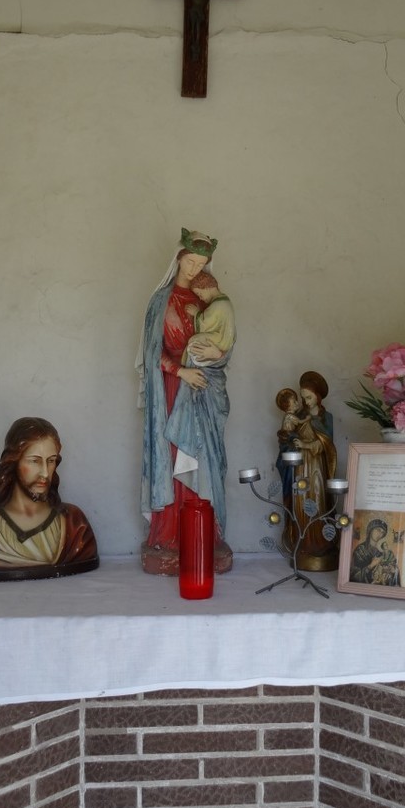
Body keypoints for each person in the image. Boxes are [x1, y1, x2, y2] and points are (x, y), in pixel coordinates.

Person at [136, 228, 233, 575]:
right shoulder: (160, 301)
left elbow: (223, 342)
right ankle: (170, 536)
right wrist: (181, 371)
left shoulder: (210, 300)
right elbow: (152, 354)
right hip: (173, 388)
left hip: (204, 390)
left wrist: (217, 356)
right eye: (191, 261)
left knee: (204, 458)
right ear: (178, 259)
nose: (194, 269)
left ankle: (205, 535)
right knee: (175, 454)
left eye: (202, 264)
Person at [0, 417, 99, 582]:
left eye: (51, 461)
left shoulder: (74, 524)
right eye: (34, 461)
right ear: (13, 462)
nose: (45, 473)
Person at [289, 370, 339, 571]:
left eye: (309, 397)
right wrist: (288, 437)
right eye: (303, 398)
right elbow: (289, 438)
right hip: (301, 466)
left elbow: (325, 445)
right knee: (300, 501)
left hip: (317, 467)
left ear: (318, 396)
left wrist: (306, 445)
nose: (306, 401)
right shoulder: (299, 416)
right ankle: (304, 542)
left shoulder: (326, 418)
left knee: (317, 498)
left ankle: (321, 543)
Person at [349, 518, 400, 586]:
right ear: (370, 530)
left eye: (382, 532)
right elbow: (353, 576)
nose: (380, 534)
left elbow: (391, 576)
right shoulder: (360, 550)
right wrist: (370, 566)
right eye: (378, 530)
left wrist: (392, 571)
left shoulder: (381, 553)